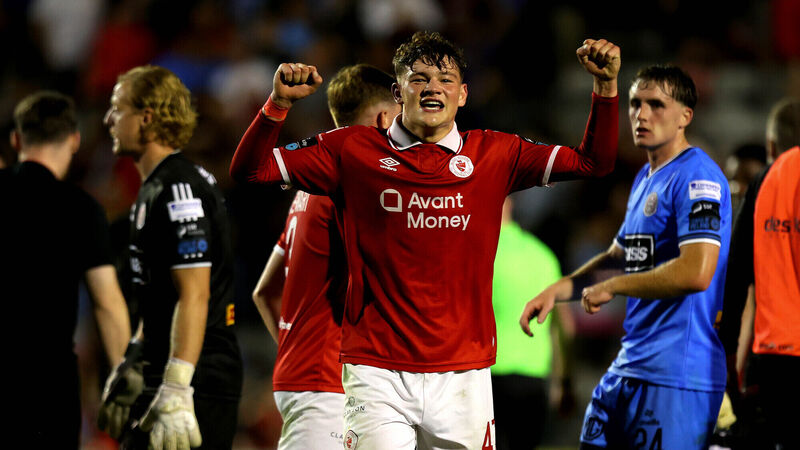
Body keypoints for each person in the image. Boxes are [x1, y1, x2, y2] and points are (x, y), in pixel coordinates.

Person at [231, 31, 620, 449]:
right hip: (376, 372)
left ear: (463, 94)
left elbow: (593, 162)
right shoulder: (351, 150)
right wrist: (277, 106)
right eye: (419, 78)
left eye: (446, 79)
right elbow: (250, 171)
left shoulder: (495, 153)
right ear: (398, 93)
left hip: (463, 376)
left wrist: (605, 88)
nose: (433, 87)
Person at [521, 65, 732, 449]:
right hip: (631, 365)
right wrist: (559, 289)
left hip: (676, 375)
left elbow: (697, 271)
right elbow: (619, 257)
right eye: (635, 103)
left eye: (656, 105)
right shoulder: (644, 178)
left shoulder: (698, 176)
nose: (641, 114)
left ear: (685, 116)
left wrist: (615, 286)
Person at [251, 63, 401, 449]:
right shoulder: (352, 186)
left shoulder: (310, 189)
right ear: (385, 118)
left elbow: (265, 291)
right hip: (329, 386)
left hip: (309, 377)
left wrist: (298, 351)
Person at [99, 65, 243, 450]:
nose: (108, 119)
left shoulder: (179, 189)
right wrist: (133, 358)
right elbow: (158, 295)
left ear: (146, 117)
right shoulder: (154, 189)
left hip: (195, 378)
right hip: (164, 369)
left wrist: (178, 387)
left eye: (118, 108)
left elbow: (194, 293)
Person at [1, 91, 131, 448]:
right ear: (74, 140)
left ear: (16, 140)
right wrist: (124, 376)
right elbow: (107, 302)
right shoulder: (81, 209)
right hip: (49, 387)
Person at [718, 97, 800, 448]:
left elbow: (735, 278)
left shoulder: (765, 181)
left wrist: (728, 361)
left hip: (774, 360)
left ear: (771, 145)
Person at [491, 196, 575, 449]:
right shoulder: (543, 255)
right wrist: (563, 381)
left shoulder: (478, 253)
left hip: (488, 373)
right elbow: (565, 327)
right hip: (535, 376)